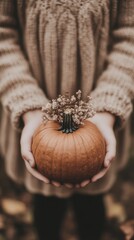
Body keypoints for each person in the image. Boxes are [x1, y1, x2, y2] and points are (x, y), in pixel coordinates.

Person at [0, 0, 134, 239]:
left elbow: (130, 37)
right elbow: (3, 35)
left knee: (92, 206)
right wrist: (29, 108)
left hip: (101, 122)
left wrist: (106, 111)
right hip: (35, 123)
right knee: (45, 206)